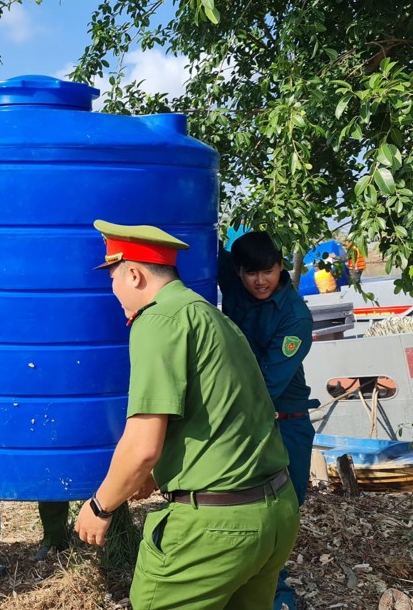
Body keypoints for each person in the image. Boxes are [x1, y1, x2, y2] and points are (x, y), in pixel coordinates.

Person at [75, 220, 300, 609]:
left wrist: (100, 506)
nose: (113, 290)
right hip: (275, 513)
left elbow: (142, 445)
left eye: (113, 278)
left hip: (216, 528)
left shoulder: (158, 321)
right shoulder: (211, 317)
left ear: (134, 273)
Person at [218, 230, 320, 610]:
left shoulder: (295, 317)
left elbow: (266, 383)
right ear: (238, 271)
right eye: (251, 273)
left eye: (269, 271)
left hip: (282, 421)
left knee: (281, 513)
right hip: (242, 414)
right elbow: (202, 241)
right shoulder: (232, 277)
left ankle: (279, 598)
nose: (260, 281)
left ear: (281, 267)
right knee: (241, 509)